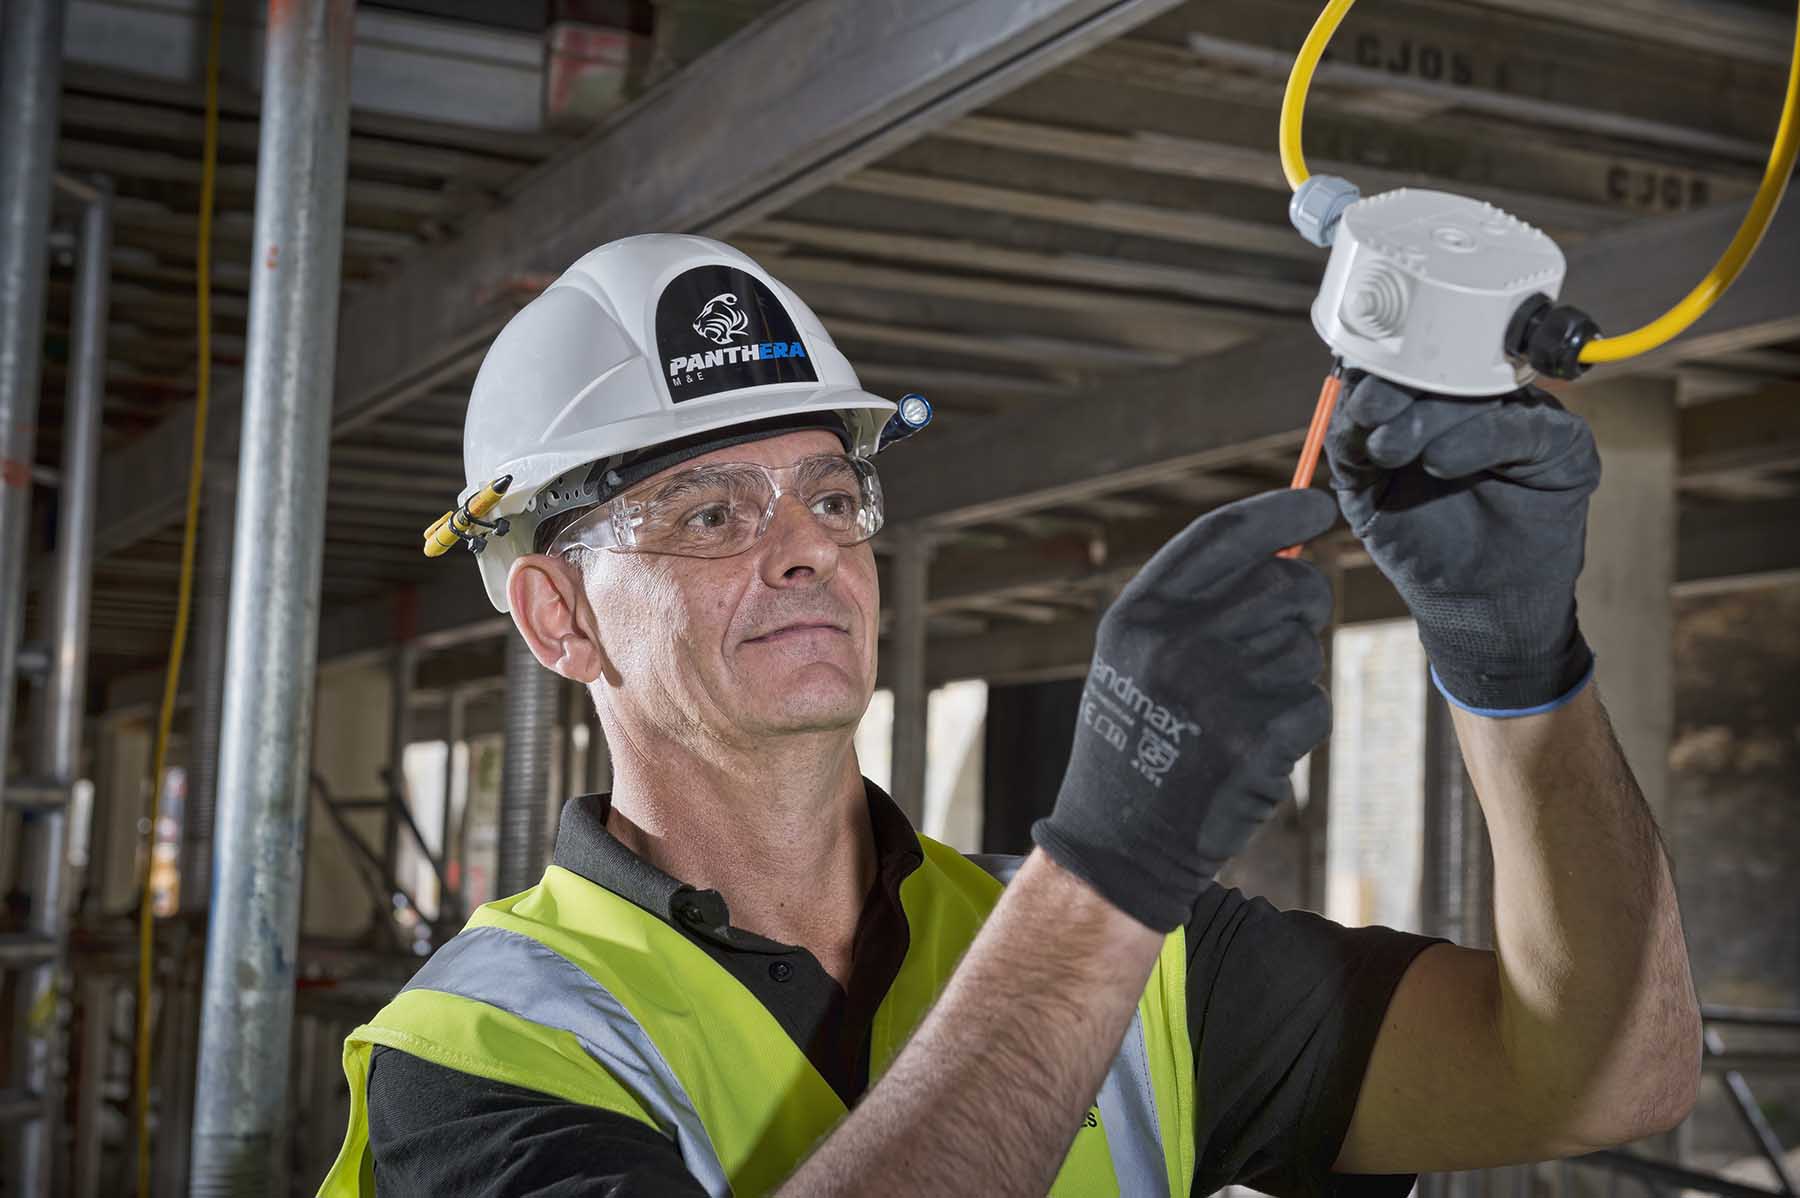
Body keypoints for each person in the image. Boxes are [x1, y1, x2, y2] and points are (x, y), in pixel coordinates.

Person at [318, 234, 1701, 1197]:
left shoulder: (1135, 969)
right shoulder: (481, 1056)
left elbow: (1607, 1076)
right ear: (558, 615)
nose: (806, 550)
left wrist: (1518, 667)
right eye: (711, 513)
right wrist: (1108, 872)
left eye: (833, 496)